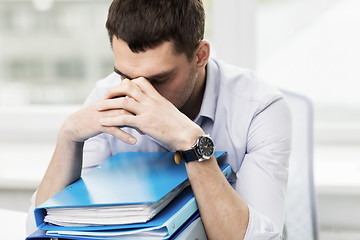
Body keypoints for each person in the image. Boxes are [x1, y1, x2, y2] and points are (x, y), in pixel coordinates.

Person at [26, 0, 292, 239]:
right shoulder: (107, 98)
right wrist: (68, 137)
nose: (140, 93)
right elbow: (39, 229)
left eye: (158, 79)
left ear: (200, 56)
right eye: (125, 76)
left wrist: (192, 143)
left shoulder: (260, 108)